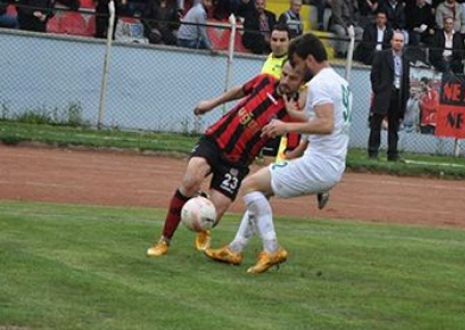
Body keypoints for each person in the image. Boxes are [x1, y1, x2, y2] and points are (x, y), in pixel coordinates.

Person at [205, 33, 352, 274]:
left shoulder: (320, 84)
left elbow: (326, 125)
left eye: (296, 61)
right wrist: (297, 135)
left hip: (320, 165)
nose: (294, 67)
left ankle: (272, 249)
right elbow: (328, 121)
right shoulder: (340, 82)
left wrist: (287, 126)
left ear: (309, 59)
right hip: (327, 162)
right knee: (261, 189)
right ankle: (235, 248)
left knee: (250, 185)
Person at [146, 60, 307, 257]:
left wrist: (301, 157)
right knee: (190, 180)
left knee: (211, 216)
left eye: (292, 78)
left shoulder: (294, 114)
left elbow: (291, 150)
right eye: (284, 74)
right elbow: (239, 91)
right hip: (215, 139)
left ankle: (203, 218)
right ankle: (164, 240)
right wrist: (211, 104)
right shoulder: (264, 81)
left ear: (302, 82)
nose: (285, 80)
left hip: (237, 163)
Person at [260, 24, 331, 209]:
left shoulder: (295, 63)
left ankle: (321, 185)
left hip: (292, 115)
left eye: (282, 40)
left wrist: (298, 107)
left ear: (289, 41)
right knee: (269, 158)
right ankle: (262, 200)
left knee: (294, 156)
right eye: (274, 39)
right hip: (274, 114)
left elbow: (308, 87)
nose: (277, 44)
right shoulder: (268, 61)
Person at [368, 31, 410, 162]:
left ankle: (392, 154)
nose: (398, 43)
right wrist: (378, 90)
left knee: (394, 127)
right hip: (384, 94)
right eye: (396, 40)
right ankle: (373, 152)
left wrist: (405, 95)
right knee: (376, 124)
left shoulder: (405, 60)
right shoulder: (382, 55)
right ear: (391, 41)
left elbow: (406, 79)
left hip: (398, 96)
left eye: (401, 41)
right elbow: (374, 75)